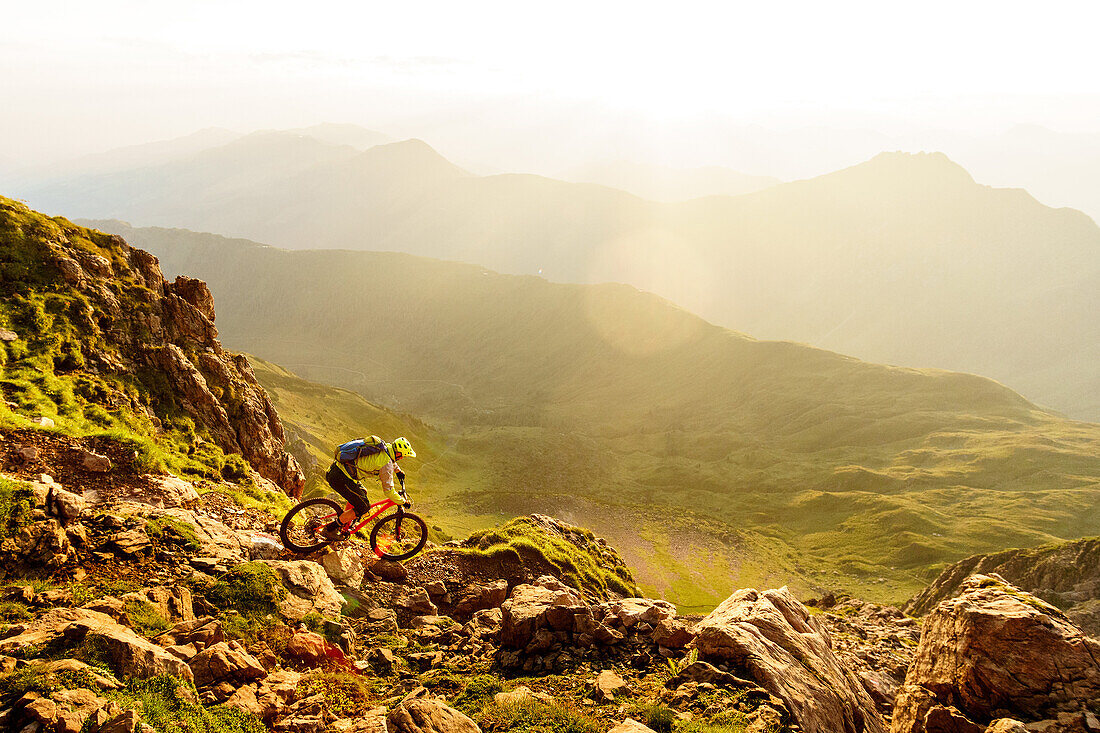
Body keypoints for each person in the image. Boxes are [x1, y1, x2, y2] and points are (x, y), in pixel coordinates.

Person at [321, 436, 416, 540]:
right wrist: (402, 502)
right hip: (340, 478)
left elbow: (390, 460)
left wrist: (398, 471)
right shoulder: (387, 465)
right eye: (402, 456)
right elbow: (388, 491)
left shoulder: (386, 447)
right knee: (364, 507)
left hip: (337, 469)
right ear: (398, 454)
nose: (402, 458)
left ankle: (344, 521)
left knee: (362, 492)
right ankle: (329, 529)